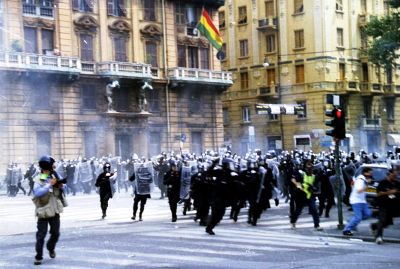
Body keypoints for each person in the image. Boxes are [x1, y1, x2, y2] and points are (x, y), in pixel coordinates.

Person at [32, 156, 66, 266]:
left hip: (55, 209)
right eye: (52, 165)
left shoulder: (55, 175)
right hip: (43, 211)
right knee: (41, 235)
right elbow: (37, 192)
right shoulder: (40, 178)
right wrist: (49, 185)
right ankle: (38, 256)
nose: (53, 167)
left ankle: (50, 247)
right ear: (47, 166)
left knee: (55, 233)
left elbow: (64, 186)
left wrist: (61, 185)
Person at [290, 160, 323, 231]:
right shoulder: (302, 175)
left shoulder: (314, 176)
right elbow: (293, 180)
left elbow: (317, 186)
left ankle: (317, 225)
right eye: (308, 168)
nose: (309, 169)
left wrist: (314, 188)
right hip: (301, 195)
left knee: (314, 210)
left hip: (310, 195)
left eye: (311, 168)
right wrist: (300, 186)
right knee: (298, 210)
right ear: (305, 168)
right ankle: (293, 223)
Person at [370, 169, 400, 244]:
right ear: (389, 174)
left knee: (388, 222)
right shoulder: (383, 182)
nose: (395, 177)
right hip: (383, 204)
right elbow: (378, 194)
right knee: (382, 220)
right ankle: (379, 237)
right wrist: (389, 192)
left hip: (394, 205)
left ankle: (375, 226)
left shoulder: (397, 183)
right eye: (393, 175)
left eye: (396, 175)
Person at [342, 167, 373, 236]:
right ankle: (346, 230)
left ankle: (351, 222)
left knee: (368, 214)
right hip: (356, 201)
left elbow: (352, 185)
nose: (371, 175)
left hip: (362, 201)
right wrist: (367, 185)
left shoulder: (363, 179)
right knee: (358, 217)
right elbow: (359, 190)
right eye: (370, 173)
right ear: (365, 173)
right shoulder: (360, 180)